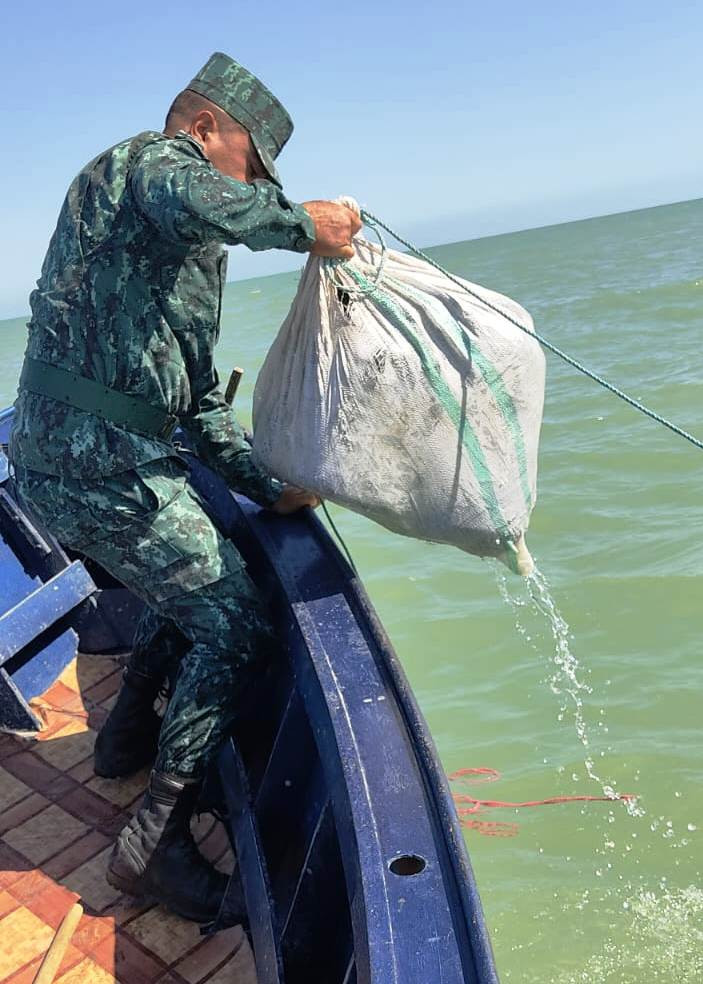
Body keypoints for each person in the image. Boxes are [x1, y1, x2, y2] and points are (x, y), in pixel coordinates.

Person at [8, 51, 361, 923]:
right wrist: (302, 221)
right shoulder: (138, 168)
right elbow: (195, 193)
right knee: (236, 619)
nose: (252, 191)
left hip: (126, 461)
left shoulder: (193, 255)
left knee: (197, 574)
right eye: (251, 167)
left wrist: (266, 483)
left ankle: (125, 738)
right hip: (85, 460)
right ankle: (153, 845)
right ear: (204, 129)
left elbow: (199, 399)